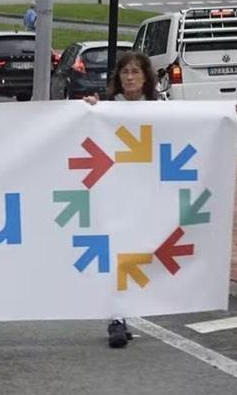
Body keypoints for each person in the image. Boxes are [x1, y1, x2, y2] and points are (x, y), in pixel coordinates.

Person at [83, 51, 160, 348]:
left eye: (135, 72)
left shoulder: (159, 108)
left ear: (145, 77)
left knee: (141, 254)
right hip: (113, 191)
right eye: (125, 72)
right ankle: (116, 318)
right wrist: (89, 110)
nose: (129, 78)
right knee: (117, 253)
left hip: (145, 193)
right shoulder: (106, 108)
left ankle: (132, 309)